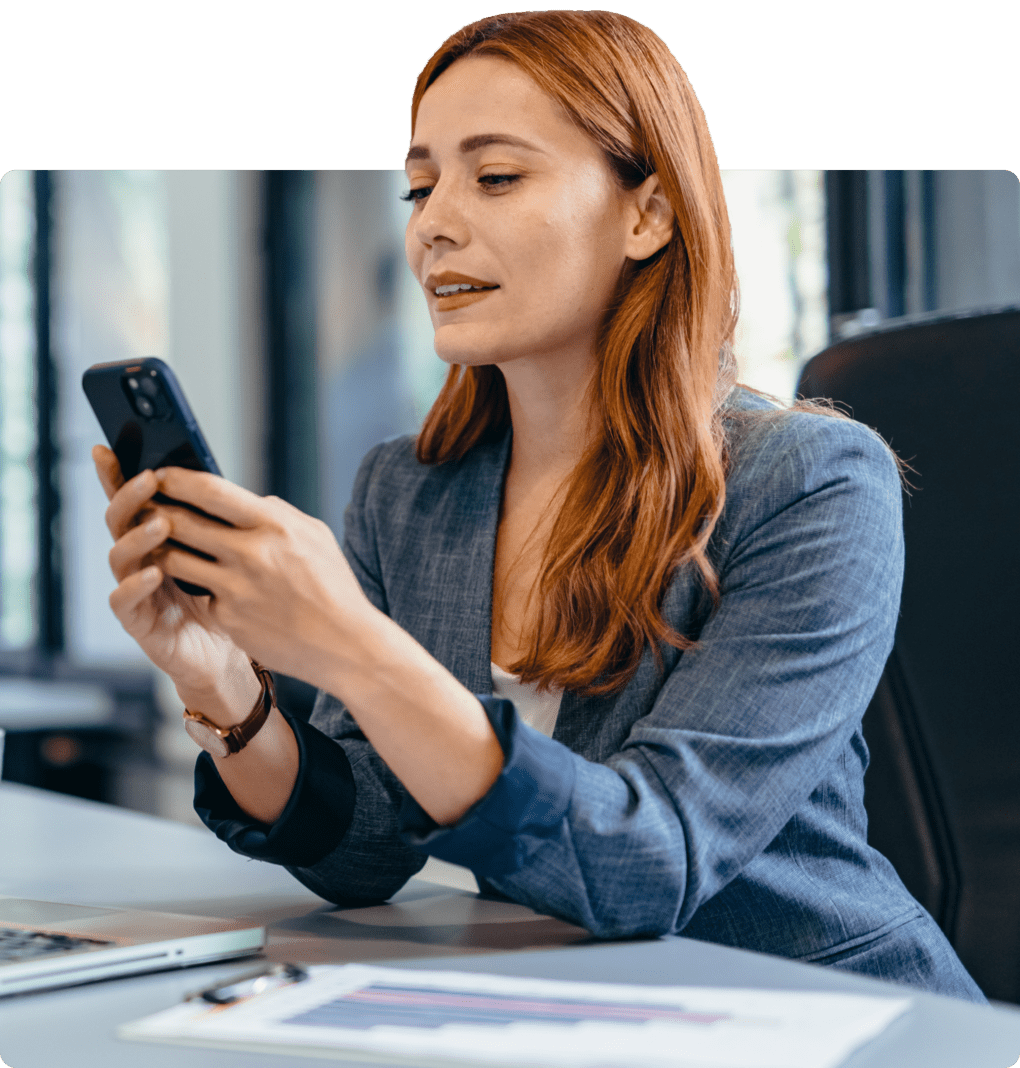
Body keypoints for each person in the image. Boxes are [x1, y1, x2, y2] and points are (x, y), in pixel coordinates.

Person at [92, 10, 985, 1001]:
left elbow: (650, 863)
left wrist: (348, 644)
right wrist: (229, 691)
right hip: (571, 1011)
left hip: (824, 1012)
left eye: (497, 177)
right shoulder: (410, 491)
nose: (431, 223)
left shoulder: (813, 482)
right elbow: (366, 851)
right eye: (419, 185)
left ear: (647, 214)